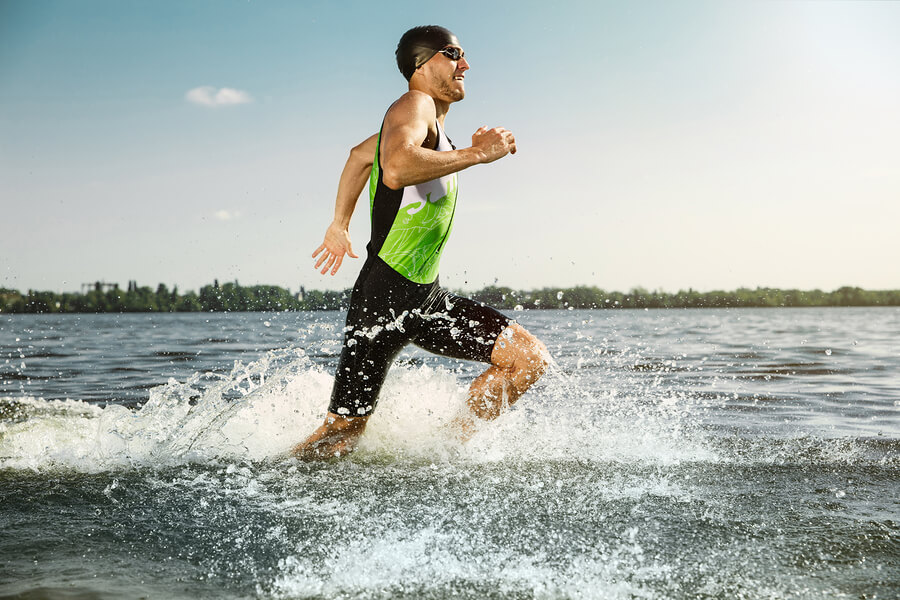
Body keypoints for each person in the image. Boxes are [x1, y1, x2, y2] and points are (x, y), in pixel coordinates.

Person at [292, 25, 548, 459]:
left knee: (526, 360)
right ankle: (269, 477)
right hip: (384, 298)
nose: (464, 64)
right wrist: (478, 155)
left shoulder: (434, 128)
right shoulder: (415, 103)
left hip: (424, 298)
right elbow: (393, 167)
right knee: (341, 435)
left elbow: (360, 156)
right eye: (453, 54)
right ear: (421, 63)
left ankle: (445, 450)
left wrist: (339, 223)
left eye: (463, 55)